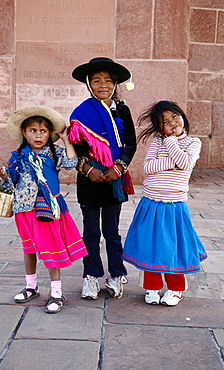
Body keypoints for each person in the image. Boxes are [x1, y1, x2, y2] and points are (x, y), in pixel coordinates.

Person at [0, 106, 87, 313]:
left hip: (46, 209)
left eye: (43, 131)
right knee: (29, 249)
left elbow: (72, 163)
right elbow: (11, 184)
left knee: (51, 249)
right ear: (24, 133)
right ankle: (31, 286)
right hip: (23, 209)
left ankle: (56, 292)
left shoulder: (53, 153)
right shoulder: (18, 155)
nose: (38, 135)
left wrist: (65, 140)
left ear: (49, 134)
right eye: (33, 131)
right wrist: (4, 175)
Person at [123, 100, 208, 306]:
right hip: (151, 202)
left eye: (174, 117)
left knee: (174, 246)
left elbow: (186, 163)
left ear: (182, 117)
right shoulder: (156, 141)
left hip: (174, 205)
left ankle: (176, 288)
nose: (171, 123)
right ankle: (152, 286)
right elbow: (148, 168)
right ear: (158, 126)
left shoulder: (193, 143)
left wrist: (171, 142)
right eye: (165, 121)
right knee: (150, 244)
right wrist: (174, 160)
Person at [68, 57, 137, 300]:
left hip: (113, 180)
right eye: (97, 80)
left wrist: (119, 167)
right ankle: (91, 277)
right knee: (90, 232)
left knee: (111, 231)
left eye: (108, 80)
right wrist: (88, 169)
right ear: (89, 84)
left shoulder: (123, 110)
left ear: (115, 83)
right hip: (90, 180)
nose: (103, 85)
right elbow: (75, 148)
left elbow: (130, 143)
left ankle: (116, 275)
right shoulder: (81, 113)